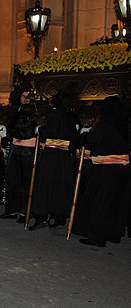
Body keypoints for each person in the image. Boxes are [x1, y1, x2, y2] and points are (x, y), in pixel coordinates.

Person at [73, 96, 130, 247]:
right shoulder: (124, 124)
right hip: (122, 169)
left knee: (100, 201)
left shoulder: (105, 124)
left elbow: (93, 141)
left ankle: (97, 236)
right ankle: (111, 233)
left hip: (107, 168)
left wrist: (83, 135)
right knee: (114, 203)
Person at [29, 92, 79, 230]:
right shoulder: (72, 117)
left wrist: (40, 129)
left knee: (45, 184)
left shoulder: (54, 114)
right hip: (65, 156)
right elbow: (75, 136)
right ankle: (60, 218)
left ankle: (41, 216)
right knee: (61, 184)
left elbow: (50, 131)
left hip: (51, 154)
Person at [0, 87, 36, 222]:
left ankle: (25, 211)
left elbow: (26, 131)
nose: (26, 99)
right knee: (12, 180)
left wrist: (11, 131)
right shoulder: (14, 111)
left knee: (26, 181)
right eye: (23, 96)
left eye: (28, 96)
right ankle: (12, 210)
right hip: (15, 148)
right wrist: (5, 129)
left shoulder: (34, 112)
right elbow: (12, 126)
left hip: (28, 150)